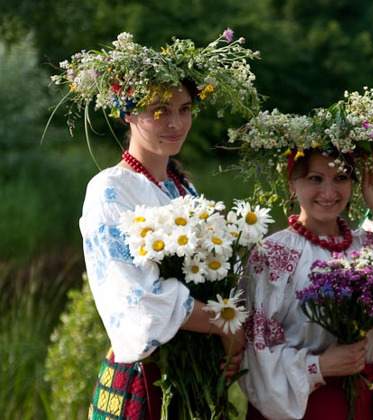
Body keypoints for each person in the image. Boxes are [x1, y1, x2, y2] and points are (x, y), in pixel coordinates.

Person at [49, 31, 261, 419]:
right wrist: (225, 327)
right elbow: (138, 300)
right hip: (147, 378)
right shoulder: (109, 190)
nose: (176, 123)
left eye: (184, 108)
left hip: (193, 371)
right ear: (127, 112)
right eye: (159, 109)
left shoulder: (182, 187)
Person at [229, 102, 373, 420]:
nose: (329, 192)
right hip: (302, 408)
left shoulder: (367, 245)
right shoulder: (272, 256)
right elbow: (256, 353)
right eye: (315, 178)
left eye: (341, 178)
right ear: (292, 183)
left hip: (360, 402)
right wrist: (319, 366)